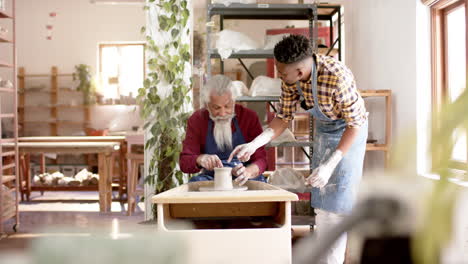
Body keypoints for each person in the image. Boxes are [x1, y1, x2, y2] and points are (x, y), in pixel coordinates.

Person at [228, 34, 368, 264]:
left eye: (282, 73)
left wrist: (331, 164)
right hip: (325, 129)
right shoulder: (291, 79)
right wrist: (255, 143)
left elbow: (355, 124)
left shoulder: (337, 76)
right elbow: (283, 117)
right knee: (322, 200)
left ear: (300, 72)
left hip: (350, 131)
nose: (279, 76)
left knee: (338, 204)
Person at [180, 75, 267, 185]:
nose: (222, 113)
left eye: (227, 106)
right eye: (216, 108)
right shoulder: (197, 120)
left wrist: (248, 172)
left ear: (234, 101)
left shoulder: (248, 117)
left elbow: (261, 160)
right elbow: (185, 162)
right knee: (195, 184)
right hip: (211, 178)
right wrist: (200, 159)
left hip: (244, 178)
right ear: (207, 105)